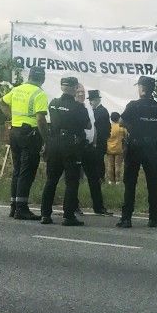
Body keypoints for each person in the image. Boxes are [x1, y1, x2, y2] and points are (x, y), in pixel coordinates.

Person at [0, 66, 48, 220]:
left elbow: (0, 102)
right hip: (30, 135)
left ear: (30, 76)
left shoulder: (18, 89)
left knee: (17, 170)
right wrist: (46, 139)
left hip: (15, 132)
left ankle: (14, 206)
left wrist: (11, 117)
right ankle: (22, 208)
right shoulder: (39, 93)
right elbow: (40, 119)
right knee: (27, 172)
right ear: (42, 79)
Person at [38, 76, 90, 226]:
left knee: (51, 180)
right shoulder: (79, 107)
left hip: (54, 143)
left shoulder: (53, 104)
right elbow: (87, 125)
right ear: (74, 89)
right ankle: (68, 216)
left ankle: (45, 215)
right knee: (72, 181)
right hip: (70, 145)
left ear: (62, 87)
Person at [117, 76, 157, 229]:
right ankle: (153, 218)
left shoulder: (133, 105)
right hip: (151, 147)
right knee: (152, 183)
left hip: (135, 146)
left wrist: (134, 128)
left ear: (142, 88)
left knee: (130, 183)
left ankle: (126, 218)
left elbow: (121, 122)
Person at [72, 85, 109, 216]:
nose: (81, 94)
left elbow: (94, 127)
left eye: (83, 92)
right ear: (74, 93)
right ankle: (73, 206)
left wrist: (94, 142)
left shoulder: (89, 108)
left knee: (94, 177)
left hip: (89, 147)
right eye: (79, 92)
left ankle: (98, 207)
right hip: (76, 146)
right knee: (74, 178)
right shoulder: (72, 107)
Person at [105, 112, 127, 184]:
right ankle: (117, 180)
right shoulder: (121, 128)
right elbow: (126, 137)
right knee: (118, 165)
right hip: (119, 149)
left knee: (110, 165)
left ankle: (111, 180)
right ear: (119, 118)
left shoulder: (108, 127)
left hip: (109, 149)